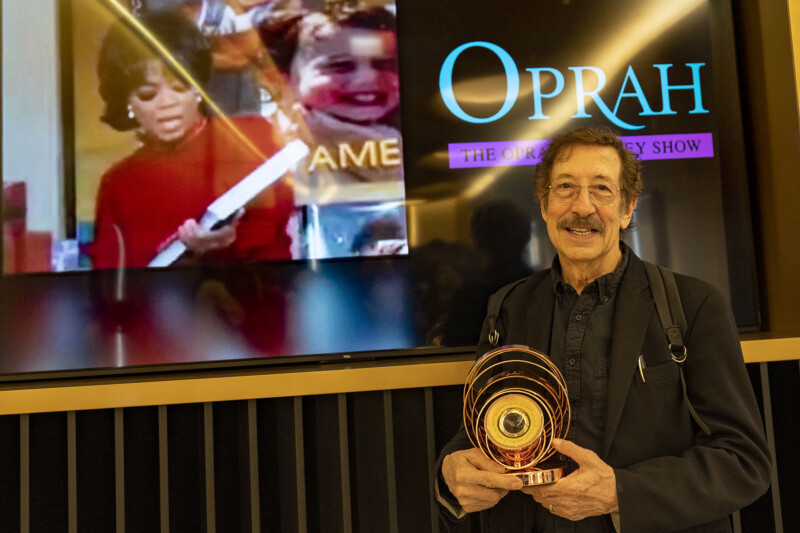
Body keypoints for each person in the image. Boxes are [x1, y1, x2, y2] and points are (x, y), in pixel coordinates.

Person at [435, 127, 771, 532]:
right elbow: (477, 430)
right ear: (543, 206)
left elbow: (742, 461)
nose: (583, 207)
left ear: (628, 209)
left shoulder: (693, 305)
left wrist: (620, 492)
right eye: (565, 187)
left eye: (601, 189)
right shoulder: (508, 306)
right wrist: (451, 473)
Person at [91, 11, 295, 269]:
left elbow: (276, 221)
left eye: (179, 87)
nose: (167, 103)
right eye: (147, 94)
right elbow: (110, 284)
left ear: (198, 88)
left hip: (261, 298)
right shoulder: (118, 184)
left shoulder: (253, 135)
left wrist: (229, 241)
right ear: (127, 103)